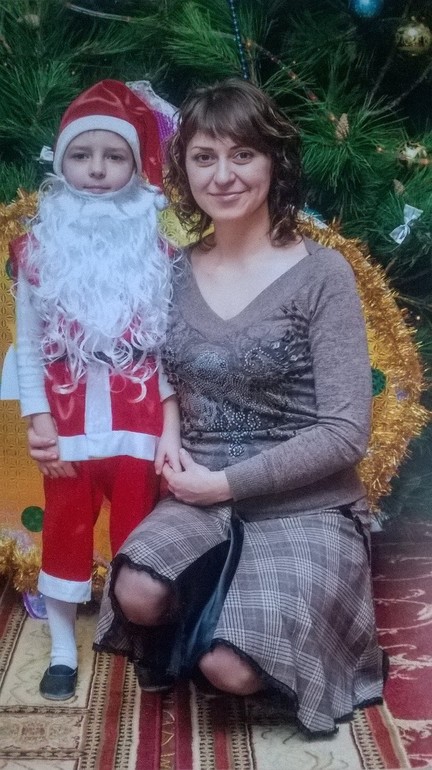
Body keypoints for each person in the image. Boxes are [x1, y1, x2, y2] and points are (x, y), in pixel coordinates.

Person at [31, 77, 386, 735]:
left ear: (274, 162)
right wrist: (150, 423)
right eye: (204, 157)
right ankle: (217, 614)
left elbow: (346, 432)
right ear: (183, 169)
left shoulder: (322, 274)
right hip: (198, 492)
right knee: (136, 592)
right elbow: (144, 363)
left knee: (231, 670)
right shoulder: (169, 271)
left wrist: (224, 484)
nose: (223, 176)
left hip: (304, 503)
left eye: (242, 154)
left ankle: (256, 635)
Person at [12, 79, 181, 701]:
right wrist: (38, 418)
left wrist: (170, 426)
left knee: (140, 534)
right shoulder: (34, 253)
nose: (98, 170)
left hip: (139, 421)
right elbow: (28, 344)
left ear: (136, 165)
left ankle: (140, 637)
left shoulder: (160, 253)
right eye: (82, 156)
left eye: (114, 156)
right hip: (67, 422)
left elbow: (169, 349)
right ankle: (62, 647)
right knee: (64, 528)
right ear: (62, 163)